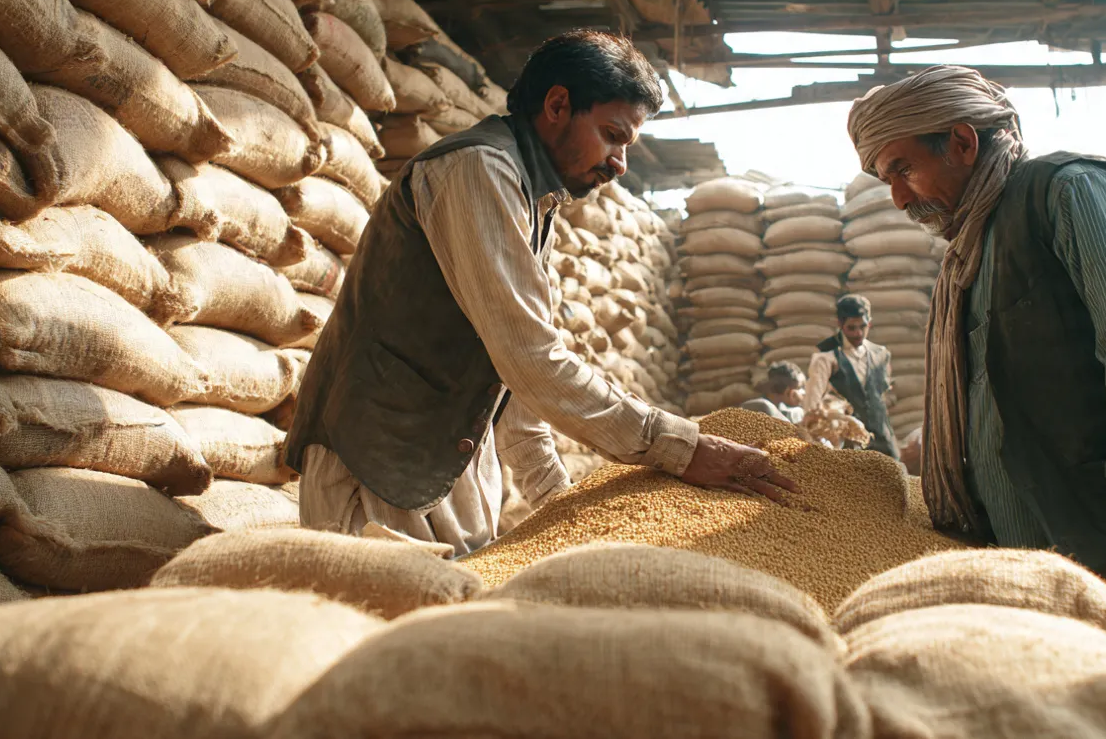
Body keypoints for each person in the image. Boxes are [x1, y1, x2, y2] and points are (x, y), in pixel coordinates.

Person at [287, 30, 796, 556]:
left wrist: (559, 503)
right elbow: (529, 358)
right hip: (377, 462)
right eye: (612, 135)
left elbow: (512, 381)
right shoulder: (478, 170)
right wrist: (682, 448)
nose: (620, 162)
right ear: (557, 105)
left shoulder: (534, 200)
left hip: (438, 469)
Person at [846, 64, 1106, 664]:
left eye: (903, 170)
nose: (899, 198)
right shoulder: (972, 253)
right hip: (1046, 562)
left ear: (961, 142)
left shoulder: (1070, 192)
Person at [802, 294, 897, 456]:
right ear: (840, 324)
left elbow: (884, 394)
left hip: (881, 436)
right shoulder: (826, 355)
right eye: (851, 328)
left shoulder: (880, 354)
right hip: (847, 439)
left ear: (870, 323)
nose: (859, 333)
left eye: (863, 326)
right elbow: (813, 402)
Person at [741, 361, 806, 424]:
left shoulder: (749, 406)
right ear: (789, 393)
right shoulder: (794, 414)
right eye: (800, 388)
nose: (804, 392)